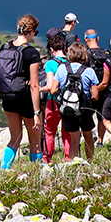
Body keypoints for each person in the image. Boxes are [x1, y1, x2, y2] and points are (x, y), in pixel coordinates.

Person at [0, 14, 43, 168]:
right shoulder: (32, 53)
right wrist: (36, 113)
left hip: (7, 98)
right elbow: (34, 85)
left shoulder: (5, 46)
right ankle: (35, 173)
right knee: (35, 141)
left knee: (15, 138)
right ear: (31, 31)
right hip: (25, 99)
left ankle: (3, 168)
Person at [48, 41, 101, 161]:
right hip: (85, 109)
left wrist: (63, 94)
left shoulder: (62, 68)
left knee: (74, 138)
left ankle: (73, 163)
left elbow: (52, 90)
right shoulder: (89, 71)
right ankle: (90, 161)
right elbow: (95, 95)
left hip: (68, 108)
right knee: (88, 135)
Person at [83, 30, 111, 145]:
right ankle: (100, 141)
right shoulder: (106, 53)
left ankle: (90, 137)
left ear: (85, 39)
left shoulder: (85, 54)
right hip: (105, 89)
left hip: (89, 91)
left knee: (86, 115)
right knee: (101, 117)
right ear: (97, 38)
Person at [38, 31, 67, 164]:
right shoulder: (70, 61)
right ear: (64, 48)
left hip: (53, 101)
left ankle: (47, 159)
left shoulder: (50, 64)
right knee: (67, 131)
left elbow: (50, 86)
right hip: (69, 101)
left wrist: (37, 88)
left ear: (51, 49)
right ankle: (68, 157)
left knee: (50, 131)